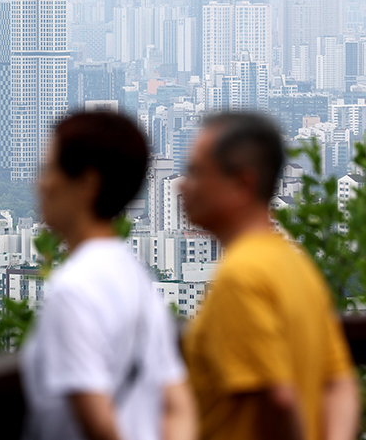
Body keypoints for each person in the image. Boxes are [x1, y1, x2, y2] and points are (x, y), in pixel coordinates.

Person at [181, 112, 360, 440]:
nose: (182, 184)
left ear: (242, 183)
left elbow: (277, 399)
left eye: (195, 171)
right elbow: (340, 382)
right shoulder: (295, 263)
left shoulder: (240, 277)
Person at [21, 110, 196, 440]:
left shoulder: (72, 290)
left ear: (87, 184)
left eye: (49, 170)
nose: (39, 183)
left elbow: (100, 425)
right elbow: (178, 405)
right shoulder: (135, 275)